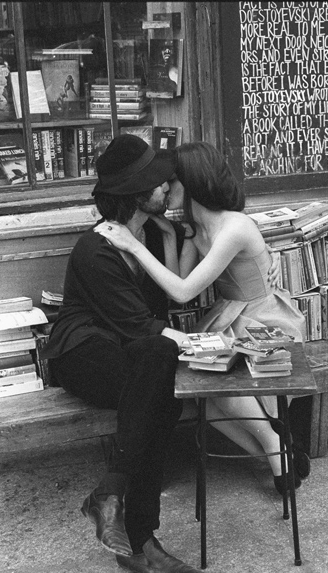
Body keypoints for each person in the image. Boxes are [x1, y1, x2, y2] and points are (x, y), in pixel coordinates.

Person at [94, 141, 311, 496]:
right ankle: (277, 449)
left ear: (192, 182)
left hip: (264, 319)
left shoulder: (234, 227)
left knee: (217, 381)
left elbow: (182, 292)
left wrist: (133, 245)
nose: (165, 189)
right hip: (230, 316)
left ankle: (276, 450)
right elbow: (178, 284)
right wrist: (169, 235)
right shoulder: (196, 229)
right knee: (202, 393)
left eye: (171, 181)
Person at [41, 134, 205, 573]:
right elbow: (142, 327)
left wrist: (170, 237)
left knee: (159, 384)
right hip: (83, 354)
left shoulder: (149, 236)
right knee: (160, 391)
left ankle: (117, 504)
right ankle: (141, 541)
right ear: (136, 194)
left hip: (132, 352)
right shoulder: (95, 250)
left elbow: (162, 312)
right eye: (158, 182)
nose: (167, 186)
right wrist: (210, 347)